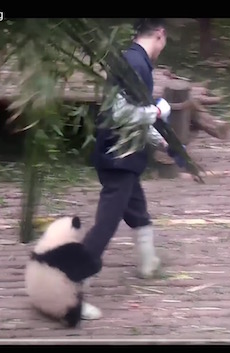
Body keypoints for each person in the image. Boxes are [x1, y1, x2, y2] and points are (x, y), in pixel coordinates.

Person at [79, 18, 186, 320]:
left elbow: (135, 118)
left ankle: (148, 262)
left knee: (136, 209)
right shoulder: (136, 65)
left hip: (123, 156)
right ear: (160, 35)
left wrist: (164, 142)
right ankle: (70, 286)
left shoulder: (133, 60)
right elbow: (121, 114)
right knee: (106, 224)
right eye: (165, 43)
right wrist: (158, 111)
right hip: (119, 158)